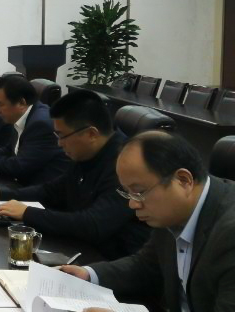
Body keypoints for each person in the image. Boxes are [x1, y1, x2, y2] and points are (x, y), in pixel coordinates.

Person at [59, 131, 235, 312]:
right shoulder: (173, 210)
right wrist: (88, 275)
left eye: (139, 192)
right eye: (128, 192)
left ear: (183, 180)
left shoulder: (230, 235)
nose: (132, 204)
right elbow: (146, 266)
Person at [0, 90, 150, 259]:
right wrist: (0, 194)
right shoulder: (87, 152)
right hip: (79, 246)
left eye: (62, 136)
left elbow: (94, 224)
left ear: (91, 134)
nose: (59, 144)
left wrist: (28, 213)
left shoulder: (124, 164)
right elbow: (53, 190)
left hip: (109, 258)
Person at [0, 75, 70, 186]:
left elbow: (20, 166)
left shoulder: (40, 124)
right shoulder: (22, 116)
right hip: (21, 184)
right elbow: (9, 151)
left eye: (0, 105)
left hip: (38, 192)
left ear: (21, 103)